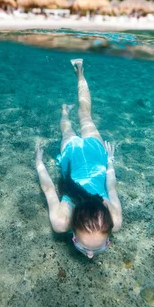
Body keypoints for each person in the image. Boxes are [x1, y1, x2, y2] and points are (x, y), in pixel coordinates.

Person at [35, 59, 122, 258]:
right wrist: (109, 161)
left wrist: (40, 164)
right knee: (80, 119)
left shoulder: (62, 221)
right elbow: (112, 188)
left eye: (92, 248)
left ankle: (78, 79)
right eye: (90, 248)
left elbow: (111, 188)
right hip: (86, 155)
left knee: (77, 121)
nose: (90, 255)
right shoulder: (63, 221)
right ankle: (68, 102)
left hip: (83, 155)